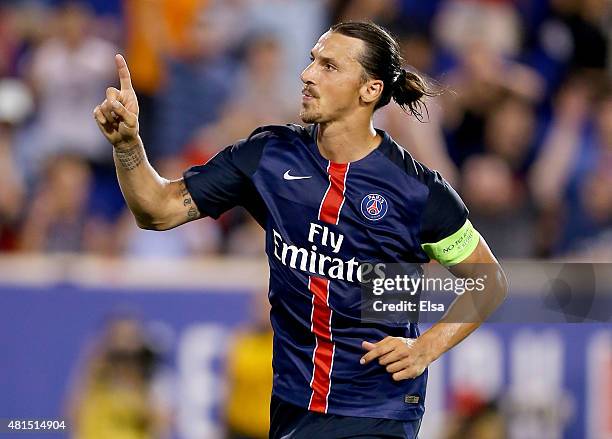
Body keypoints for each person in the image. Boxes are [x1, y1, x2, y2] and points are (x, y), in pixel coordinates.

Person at [94, 21, 507, 439]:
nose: (307, 74)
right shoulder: (269, 156)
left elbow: (488, 281)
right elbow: (158, 211)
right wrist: (128, 145)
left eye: (329, 66)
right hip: (293, 404)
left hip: (376, 408)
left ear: (370, 90)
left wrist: (425, 348)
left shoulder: (417, 191)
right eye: (312, 60)